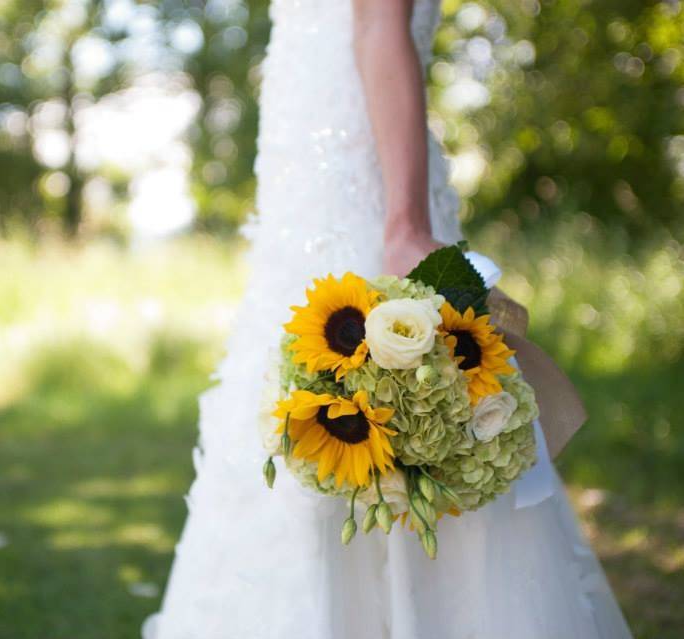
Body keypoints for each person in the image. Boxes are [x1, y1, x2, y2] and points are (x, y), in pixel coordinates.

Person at [143, 1, 632, 637]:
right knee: (300, 402)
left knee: (400, 394)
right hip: (304, 188)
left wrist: (404, 224)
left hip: (366, 179)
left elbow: (379, 21)